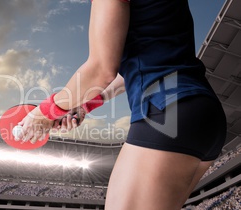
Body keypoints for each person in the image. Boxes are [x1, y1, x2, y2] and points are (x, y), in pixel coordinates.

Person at [16, 0, 227, 209]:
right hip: (202, 111)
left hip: (166, 112)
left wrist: (44, 113)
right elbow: (134, 67)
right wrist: (84, 105)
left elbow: (101, 70)